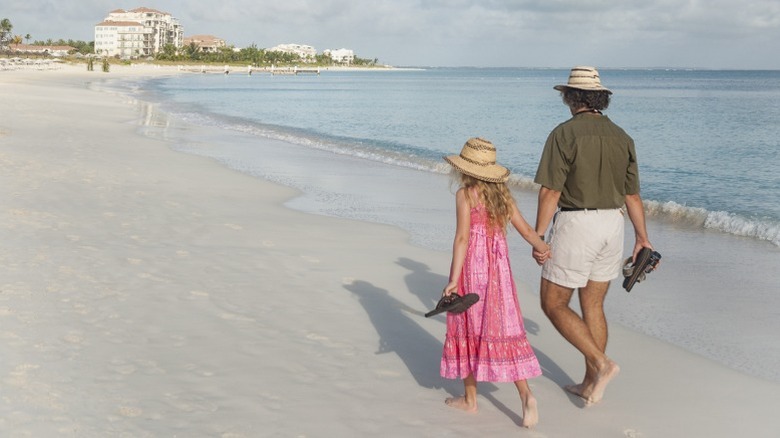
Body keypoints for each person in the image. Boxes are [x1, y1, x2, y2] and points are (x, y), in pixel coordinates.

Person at [532, 66, 653, 405]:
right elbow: (632, 196)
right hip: (613, 225)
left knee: (553, 303)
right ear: (600, 99)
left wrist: (539, 236)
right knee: (594, 305)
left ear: (572, 98)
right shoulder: (622, 137)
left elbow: (550, 192)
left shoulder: (564, 134)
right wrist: (642, 237)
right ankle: (589, 382)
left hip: (578, 224)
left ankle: (601, 364)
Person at [439, 137, 550, 428]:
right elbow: (526, 230)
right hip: (499, 273)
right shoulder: (503, 197)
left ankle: (470, 400)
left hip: (472, 270)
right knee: (503, 327)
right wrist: (542, 248)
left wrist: (453, 280)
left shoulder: (465, 195)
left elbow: (462, 238)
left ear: (465, 169)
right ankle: (526, 396)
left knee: (466, 326)